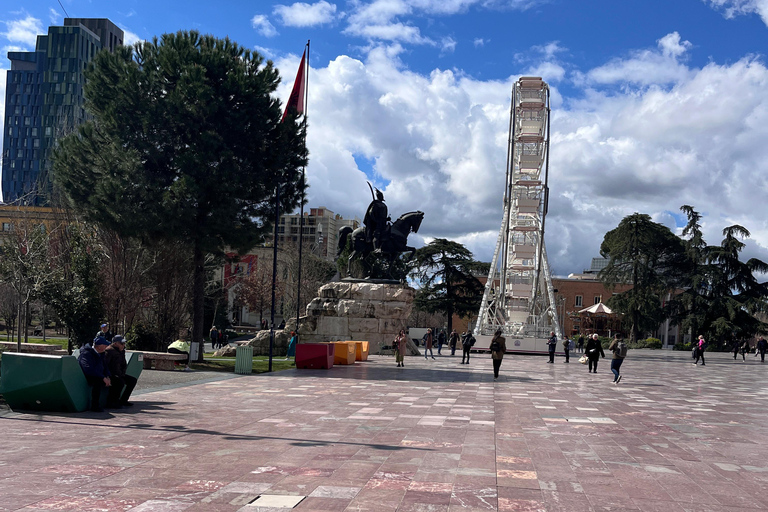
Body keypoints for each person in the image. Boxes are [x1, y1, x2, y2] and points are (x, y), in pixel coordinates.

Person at [78, 336, 112, 412]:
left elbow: (105, 366)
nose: (106, 347)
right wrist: (102, 377)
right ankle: (95, 405)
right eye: (105, 345)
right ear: (99, 346)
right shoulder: (86, 354)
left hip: (98, 374)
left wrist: (107, 376)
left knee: (116, 380)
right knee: (98, 382)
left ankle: (112, 402)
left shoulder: (101, 354)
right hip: (88, 375)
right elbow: (88, 369)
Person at [104, 335, 138, 408]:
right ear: (116, 343)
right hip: (111, 374)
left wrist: (122, 373)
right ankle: (112, 402)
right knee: (119, 382)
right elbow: (105, 364)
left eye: (124, 344)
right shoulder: (109, 351)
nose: (123, 345)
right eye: (121, 344)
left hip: (119, 374)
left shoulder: (121, 351)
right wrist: (107, 375)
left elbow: (123, 364)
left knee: (132, 380)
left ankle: (124, 400)